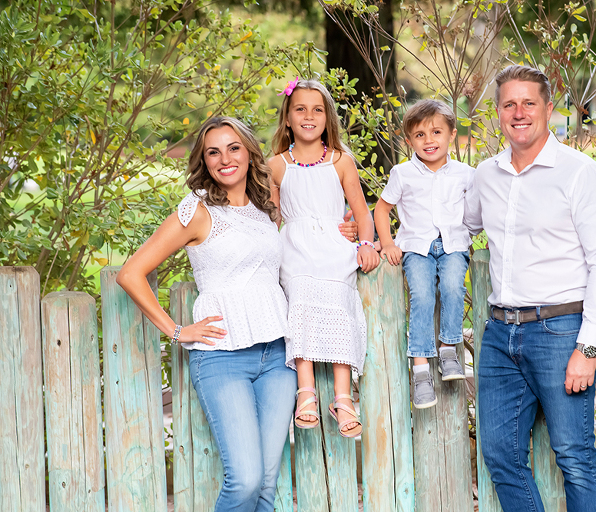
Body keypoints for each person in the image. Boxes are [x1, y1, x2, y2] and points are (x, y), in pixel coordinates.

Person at [117, 116, 301, 512]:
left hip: (278, 356)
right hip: (222, 357)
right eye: (213, 152)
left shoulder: (267, 206)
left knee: (267, 484)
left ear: (250, 153)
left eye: (233, 148)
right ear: (204, 160)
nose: (225, 159)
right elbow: (130, 273)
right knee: (245, 479)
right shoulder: (197, 210)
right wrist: (176, 330)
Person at [464, 65, 596, 511]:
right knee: (498, 454)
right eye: (509, 104)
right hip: (499, 336)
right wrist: (362, 230)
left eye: (529, 102)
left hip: (560, 331)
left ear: (548, 109)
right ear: (497, 112)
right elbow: (458, 224)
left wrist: (587, 347)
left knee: (573, 455)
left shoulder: (579, 173)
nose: (519, 112)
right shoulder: (486, 175)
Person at [268, 79, 379, 438]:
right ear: (287, 118)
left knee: (339, 308)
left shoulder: (340, 161)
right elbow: (272, 219)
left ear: (327, 117)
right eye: (300, 109)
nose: (309, 116)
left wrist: (364, 242)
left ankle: (343, 397)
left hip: (334, 245)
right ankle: (307, 392)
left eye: (317, 110)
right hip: (296, 248)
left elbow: (362, 213)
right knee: (299, 304)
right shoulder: (277, 165)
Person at [373, 99, 474, 409]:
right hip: (416, 247)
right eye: (420, 135)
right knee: (422, 297)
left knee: (454, 287)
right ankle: (420, 369)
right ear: (409, 140)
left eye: (436, 132)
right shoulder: (403, 174)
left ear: (452, 135)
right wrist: (388, 242)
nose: (429, 140)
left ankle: (447, 351)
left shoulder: (465, 174)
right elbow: (382, 208)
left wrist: (471, 233)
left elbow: (476, 211)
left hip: (453, 245)